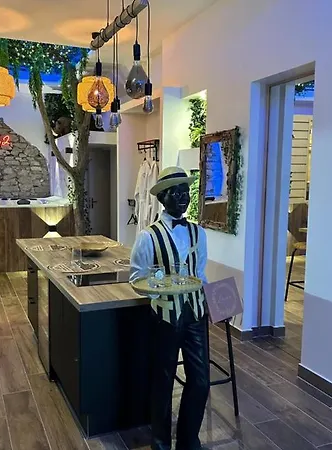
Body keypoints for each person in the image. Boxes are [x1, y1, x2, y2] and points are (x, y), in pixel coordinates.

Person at [130, 166, 210, 450]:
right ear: (162, 198)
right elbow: (136, 277)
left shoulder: (199, 233)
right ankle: (161, 442)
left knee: (200, 381)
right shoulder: (148, 236)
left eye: (185, 191)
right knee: (163, 381)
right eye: (176, 193)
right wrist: (159, 288)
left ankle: (189, 439)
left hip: (195, 314)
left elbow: (200, 273)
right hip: (164, 316)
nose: (183, 197)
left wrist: (215, 301)